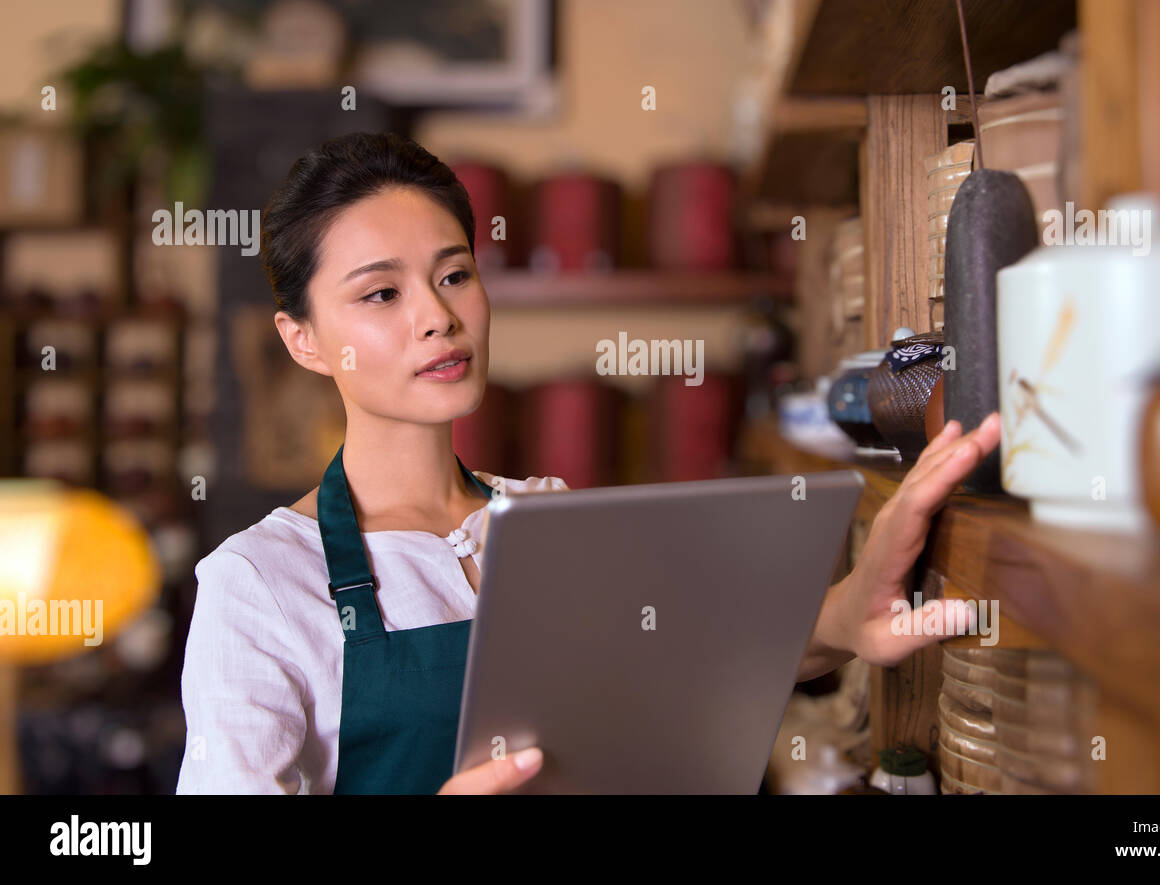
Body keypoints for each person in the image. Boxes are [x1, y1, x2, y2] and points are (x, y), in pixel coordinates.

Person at [175, 132, 1002, 795]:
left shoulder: (548, 515)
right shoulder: (260, 586)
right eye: (381, 293)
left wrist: (850, 612)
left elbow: (705, 657)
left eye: (454, 273)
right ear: (304, 340)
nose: (438, 316)